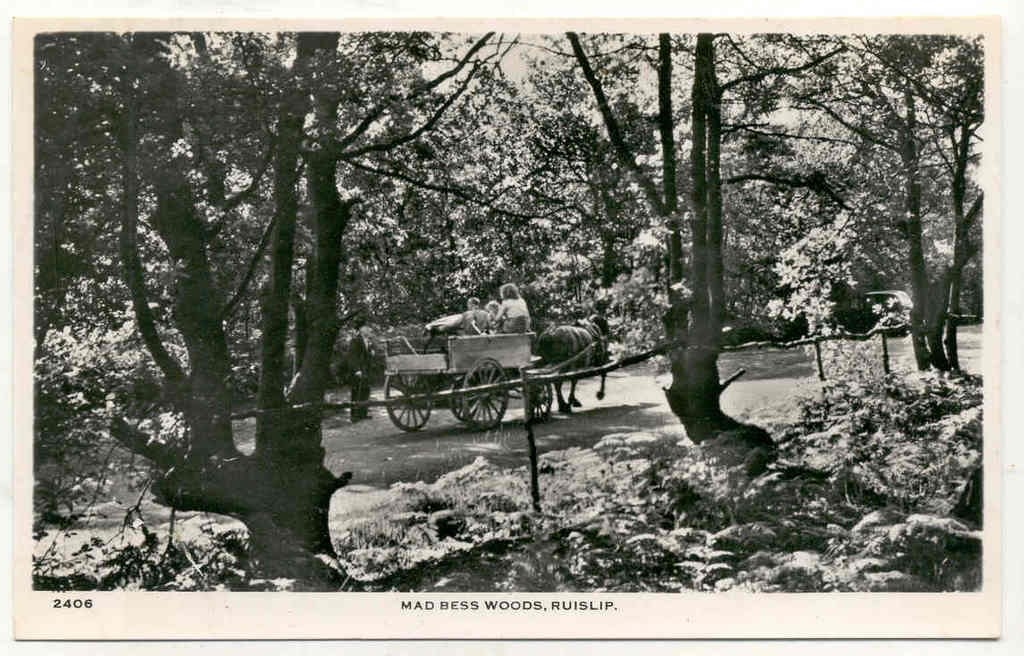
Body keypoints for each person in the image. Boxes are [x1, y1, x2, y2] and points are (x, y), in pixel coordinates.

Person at [348, 321, 375, 422]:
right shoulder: (355, 340)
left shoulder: (367, 340)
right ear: (360, 329)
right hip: (358, 370)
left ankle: (363, 413)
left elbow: (367, 355)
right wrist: (356, 370)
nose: (368, 329)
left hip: (366, 369)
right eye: (366, 327)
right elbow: (352, 357)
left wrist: (371, 352)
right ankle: (354, 415)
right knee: (356, 392)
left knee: (365, 390)